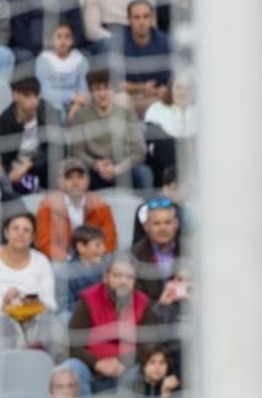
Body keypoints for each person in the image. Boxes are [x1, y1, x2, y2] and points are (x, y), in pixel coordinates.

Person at [70, 68, 150, 189]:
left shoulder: (126, 112)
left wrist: (118, 169)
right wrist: (95, 164)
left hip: (123, 167)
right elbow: (75, 150)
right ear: (91, 92)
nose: (102, 94)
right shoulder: (80, 115)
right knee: (78, 174)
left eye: (106, 87)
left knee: (143, 173)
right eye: (97, 89)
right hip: (94, 169)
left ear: (113, 89)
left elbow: (139, 151)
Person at [0, 75, 67, 197]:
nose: (33, 101)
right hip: (16, 172)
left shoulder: (49, 112)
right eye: (27, 95)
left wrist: (28, 165)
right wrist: (9, 174)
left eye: (36, 95)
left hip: (44, 167)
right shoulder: (5, 120)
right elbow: (4, 157)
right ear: (15, 95)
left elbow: (59, 149)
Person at [0, 212, 59, 348]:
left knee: (55, 327)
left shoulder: (41, 261)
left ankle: (48, 367)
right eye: (15, 229)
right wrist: (5, 301)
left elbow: (51, 304)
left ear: (33, 237)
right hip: (3, 318)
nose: (21, 233)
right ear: (6, 232)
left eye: (26, 230)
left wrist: (35, 302)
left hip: (34, 318)